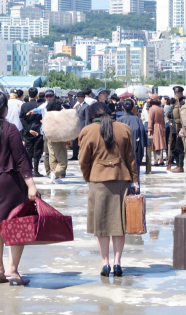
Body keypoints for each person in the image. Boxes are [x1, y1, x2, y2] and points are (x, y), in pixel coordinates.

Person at [0, 91, 38, 287]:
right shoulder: (10, 130)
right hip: (10, 183)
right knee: (17, 225)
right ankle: (12, 270)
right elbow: (21, 160)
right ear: (5, 109)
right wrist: (31, 185)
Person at [79, 102, 139, 277]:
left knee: (102, 225)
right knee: (120, 224)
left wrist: (88, 176)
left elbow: (83, 160)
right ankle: (118, 263)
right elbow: (131, 159)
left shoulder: (87, 131)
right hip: (121, 180)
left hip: (98, 182)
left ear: (92, 116)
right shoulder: (124, 129)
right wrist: (134, 181)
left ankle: (105, 263)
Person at [119, 98, 149, 176]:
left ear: (123, 107)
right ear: (133, 107)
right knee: (135, 173)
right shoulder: (138, 120)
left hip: (122, 151)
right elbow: (143, 138)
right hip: (135, 150)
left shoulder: (119, 120)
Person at [19, 87, 44, 178]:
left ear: (28, 95)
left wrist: (29, 129)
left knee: (29, 150)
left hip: (28, 130)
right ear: (36, 95)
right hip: (38, 129)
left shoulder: (24, 106)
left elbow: (21, 118)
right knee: (37, 150)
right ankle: (36, 171)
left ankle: (29, 170)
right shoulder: (40, 105)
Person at [71, 91, 90, 161]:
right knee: (75, 141)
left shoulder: (86, 106)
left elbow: (87, 118)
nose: (78, 98)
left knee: (82, 142)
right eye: (77, 97)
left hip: (82, 126)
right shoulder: (78, 106)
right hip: (77, 127)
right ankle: (74, 155)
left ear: (83, 98)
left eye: (79, 97)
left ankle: (82, 155)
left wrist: (85, 128)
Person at [148, 95, 166, 167]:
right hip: (161, 126)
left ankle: (156, 161)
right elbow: (163, 120)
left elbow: (150, 120)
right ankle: (161, 160)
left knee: (156, 144)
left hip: (155, 127)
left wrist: (149, 129)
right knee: (160, 143)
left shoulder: (152, 109)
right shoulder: (161, 108)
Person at [171, 86, 186, 173]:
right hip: (174, 128)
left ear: (181, 93)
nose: (176, 94)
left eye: (178, 93)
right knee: (173, 147)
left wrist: (181, 129)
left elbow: (183, 117)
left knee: (179, 148)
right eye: (175, 93)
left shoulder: (183, 103)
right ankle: (177, 165)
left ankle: (180, 166)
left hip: (179, 129)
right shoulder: (176, 102)